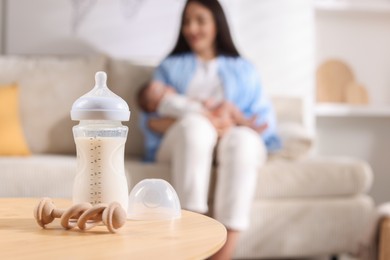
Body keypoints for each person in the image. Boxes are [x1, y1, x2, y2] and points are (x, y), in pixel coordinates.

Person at [139, 0, 281, 259]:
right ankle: (193, 235)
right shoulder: (169, 67)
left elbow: (264, 125)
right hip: (183, 140)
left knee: (244, 142)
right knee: (196, 127)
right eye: (186, 21)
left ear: (217, 23)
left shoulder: (245, 70)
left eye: (200, 20)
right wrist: (206, 121)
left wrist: (234, 120)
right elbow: (150, 120)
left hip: (232, 138)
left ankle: (221, 255)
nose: (191, 28)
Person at [137, 80, 268, 134]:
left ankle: (245, 125)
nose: (166, 87)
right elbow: (185, 110)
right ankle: (246, 124)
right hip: (203, 115)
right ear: (152, 105)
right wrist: (206, 113)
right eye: (159, 89)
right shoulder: (167, 103)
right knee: (227, 106)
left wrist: (204, 102)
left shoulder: (171, 101)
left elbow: (188, 104)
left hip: (205, 112)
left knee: (227, 107)